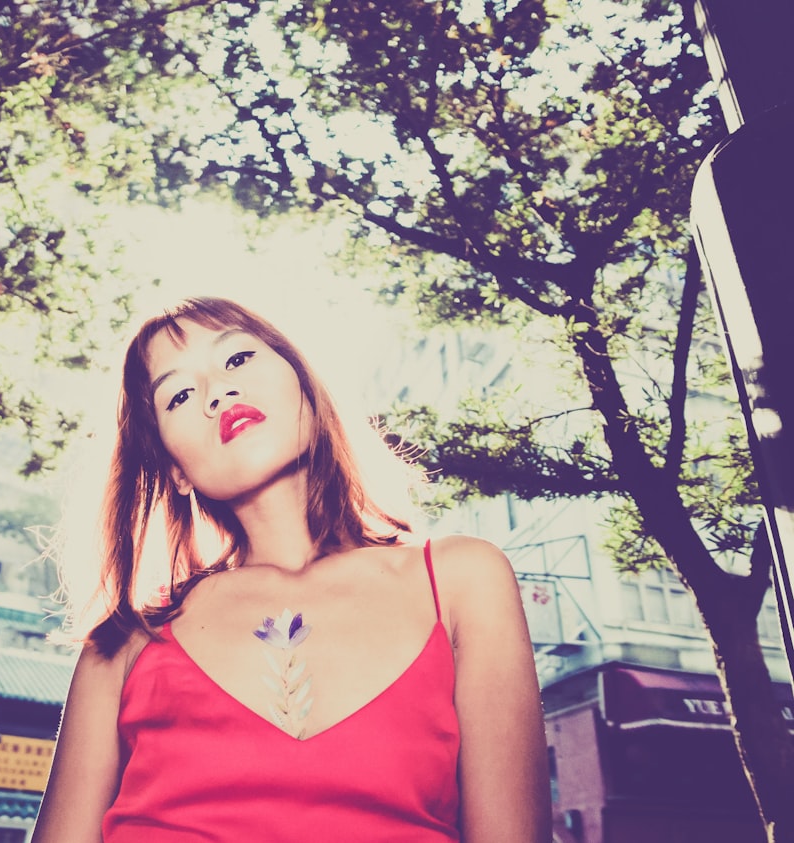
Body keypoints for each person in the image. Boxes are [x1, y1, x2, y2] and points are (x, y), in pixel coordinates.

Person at [31, 297, 551, 843]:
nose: (218, 393)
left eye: (237, 360)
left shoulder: (463, 581)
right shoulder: (122, 647)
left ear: (303, 383)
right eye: (179, 395)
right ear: (175, 470)